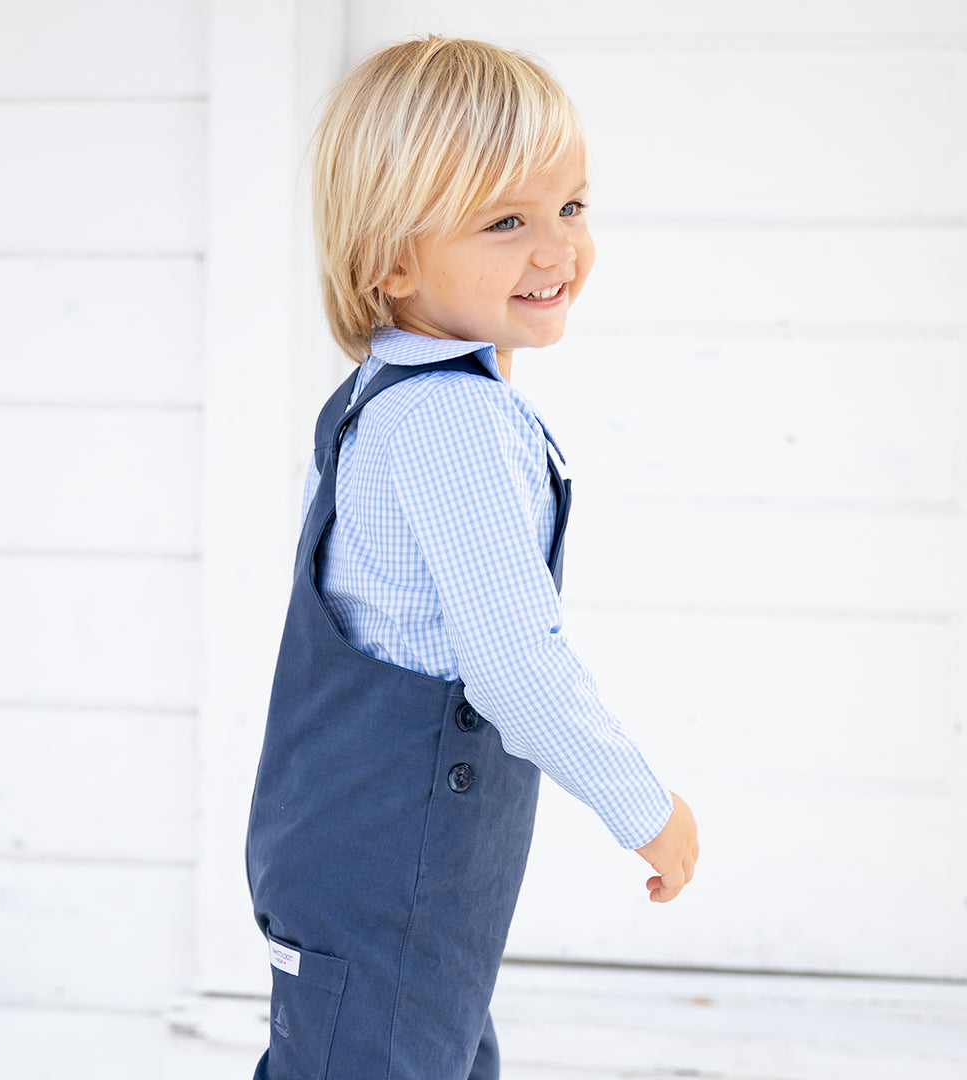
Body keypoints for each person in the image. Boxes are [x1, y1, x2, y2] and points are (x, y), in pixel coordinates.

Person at [246, 35, 698, 1080]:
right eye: (507, 221)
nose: (558, 249)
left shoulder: (379, 401)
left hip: (348, 839)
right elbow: (512, 662)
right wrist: (646, 806)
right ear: (389, 259)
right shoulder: (454, 424)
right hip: (394, 855)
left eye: (571, 207)